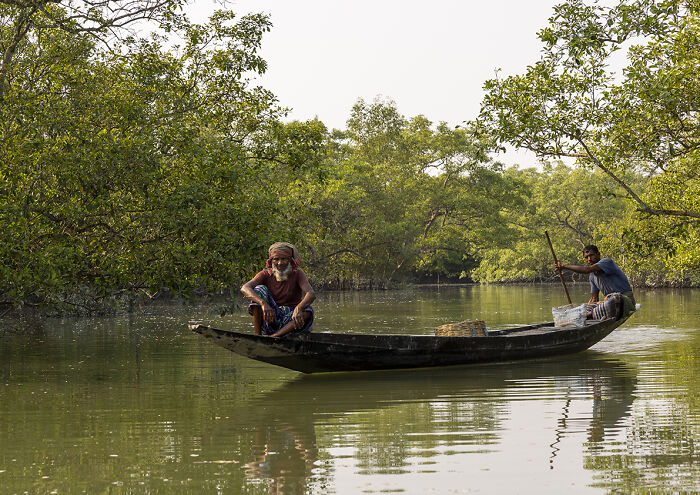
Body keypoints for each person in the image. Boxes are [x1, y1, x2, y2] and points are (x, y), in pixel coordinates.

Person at [241, 242, 316, 337]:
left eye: (284, 259)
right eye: (276, 259)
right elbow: (245, 288)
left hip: (291, 321)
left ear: (290, 260)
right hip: (271, 318)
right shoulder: (265, 274)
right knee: (259, 289)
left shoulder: (297, 274)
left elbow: (311, 293)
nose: (280, 263)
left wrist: (299, 308)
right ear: (271, 261)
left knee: (308, 310)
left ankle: (275, 336)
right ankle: (258, 336)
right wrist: (263, 303)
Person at [554, 245, 636, 318]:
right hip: (609, 303)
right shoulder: (592, 276)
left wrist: (564, 266)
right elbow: (594, 298)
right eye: (586, 257)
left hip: (625, 300)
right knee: (586, 307)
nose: (589, 259)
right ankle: (585, 316)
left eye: (591, 255)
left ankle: (587, 316)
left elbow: (587, 269)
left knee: (615, 297)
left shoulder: (607, 262)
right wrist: (583, 310)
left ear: (598, 255)